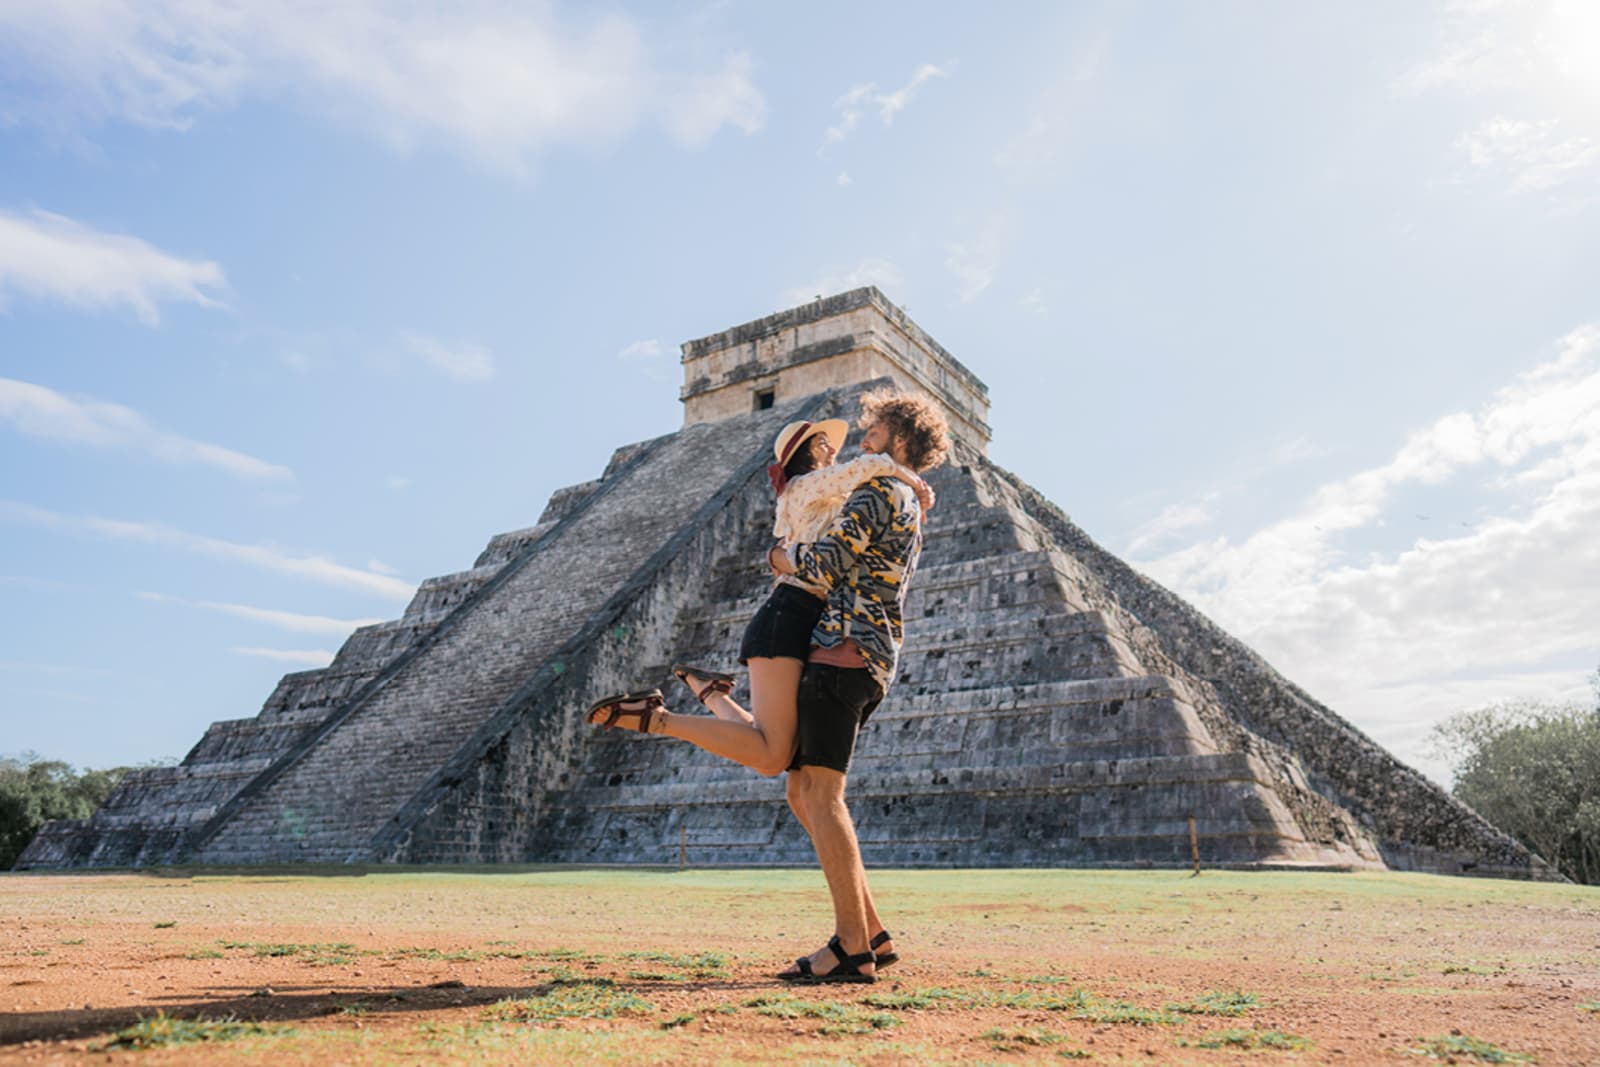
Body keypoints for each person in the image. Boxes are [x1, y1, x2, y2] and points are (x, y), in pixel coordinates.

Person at [585, 389, 949, 984]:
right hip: (856, 648)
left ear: (901, 434)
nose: (862, 439)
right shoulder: (887, 489)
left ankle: (852, 947)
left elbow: (823, 564)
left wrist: (779, 558)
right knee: (801, 792)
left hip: (842, 651)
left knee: (819, 795)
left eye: (875, 428)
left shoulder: (881, 489)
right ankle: (873, 934)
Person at [583, 413, 932, 779]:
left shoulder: (832, 494)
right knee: (772, 757)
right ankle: (655, 718)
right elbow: (872, 467)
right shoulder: (803, 486)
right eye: (824, 443)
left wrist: (906, 495)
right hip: (789, 614)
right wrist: (912, 480)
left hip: (808, 618)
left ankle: (711, 694)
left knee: (777, 751)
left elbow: (868, 499)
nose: (837, 450)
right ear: (810, 450)